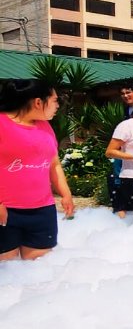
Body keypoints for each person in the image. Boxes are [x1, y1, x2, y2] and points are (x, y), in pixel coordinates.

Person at [0, 79, 74, 261]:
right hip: (6, 211)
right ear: (38, 102)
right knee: (6, 274)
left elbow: (54, 163)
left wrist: (66, 194)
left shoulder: (45, 126)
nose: (58, 105)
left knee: (39, 273)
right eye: (56, 100)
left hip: (43, 211)